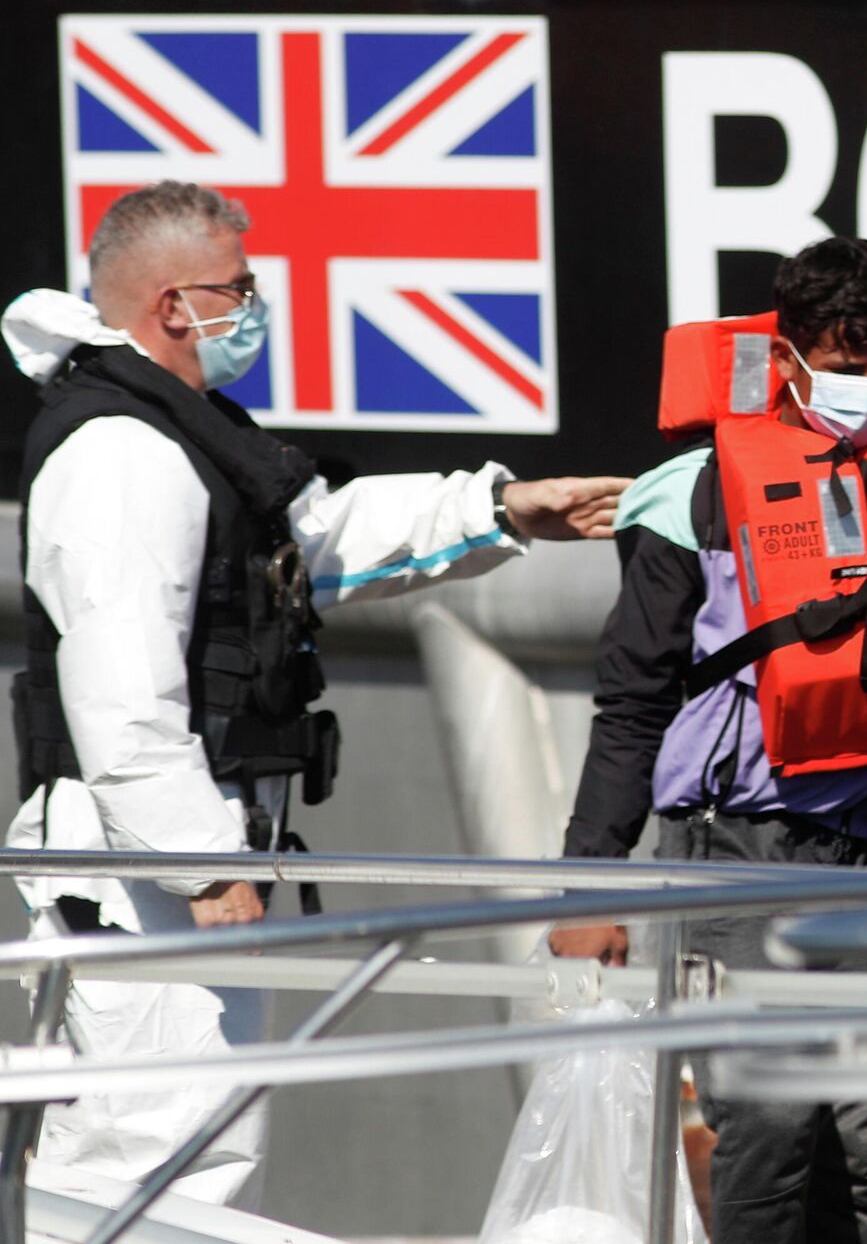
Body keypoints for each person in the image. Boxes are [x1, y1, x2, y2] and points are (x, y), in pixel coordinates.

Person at [4, 180, 628, 1206]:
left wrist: (504, 506)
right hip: (142, 880)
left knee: (196, 1148)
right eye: (238, 289)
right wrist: (205, 866)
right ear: (173, 306)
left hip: (172, 865)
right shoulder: (121, 452)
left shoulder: (185, 437)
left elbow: (312, 542)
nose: (254, 308)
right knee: (153, 1162)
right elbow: (123, 702)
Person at [549, 235, 867, 1244]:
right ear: (791, 357)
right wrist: (591, 883)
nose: (864, 386)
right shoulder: (694, 490)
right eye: (844, 366)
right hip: (738, 856)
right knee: (765, 1127)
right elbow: (633, 694)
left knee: (863, 1142)